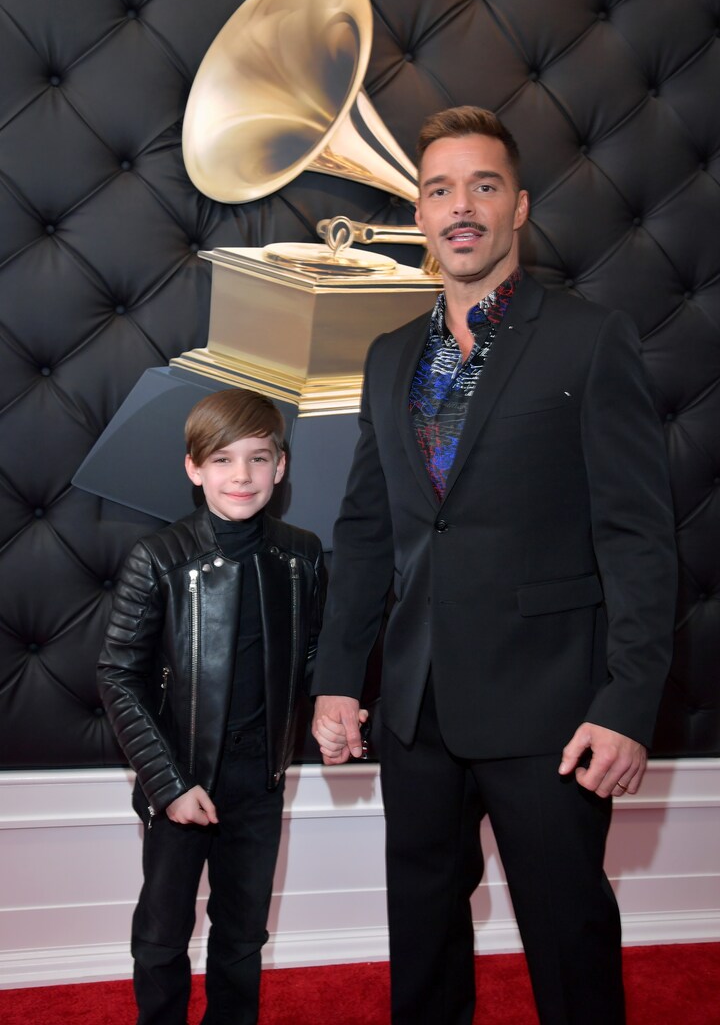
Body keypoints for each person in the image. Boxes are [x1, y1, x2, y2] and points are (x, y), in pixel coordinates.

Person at [311, 106, 677, 1025]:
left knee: (569, 944)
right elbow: (366, 531)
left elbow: (637, 535)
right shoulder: (389, 358)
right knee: (423, 952)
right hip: (416, 711)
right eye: (440, 190)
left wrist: (628, 703)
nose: (461, 206)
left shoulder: (591, 337)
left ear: (518, 207)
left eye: (483, 186)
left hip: (552, 710)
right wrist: (338, 679)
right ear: (421, 214)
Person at [98, 388, 325, 1025]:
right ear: (194, 469)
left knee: (243, 933)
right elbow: (118, 676)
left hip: (261, 781)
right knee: (163, 932)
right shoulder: (158, 558)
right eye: (222, 459)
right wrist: (169, 784)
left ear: (281, 466)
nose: (242, 475)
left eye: (259, 458)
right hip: (181, 775)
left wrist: (338, 707)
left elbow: (312, 657)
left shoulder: (302, 555)